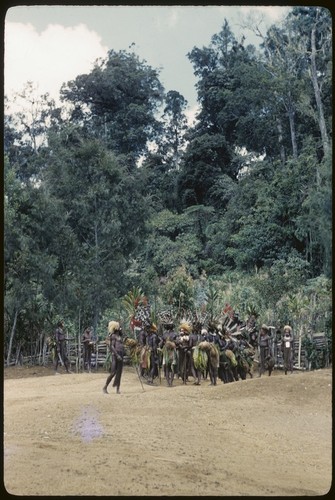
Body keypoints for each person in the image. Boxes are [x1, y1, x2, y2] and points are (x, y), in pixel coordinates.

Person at [103, 321, 125, 394]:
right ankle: (105, 387)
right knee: (113, 373)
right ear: (116, 329)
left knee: (119, 373)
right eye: (119, 328)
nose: (121, 329)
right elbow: (111, 346)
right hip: (115, 355)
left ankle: (117, 389)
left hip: (121, 355)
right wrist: (117, 355)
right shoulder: (113, 336)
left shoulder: (120, 337)